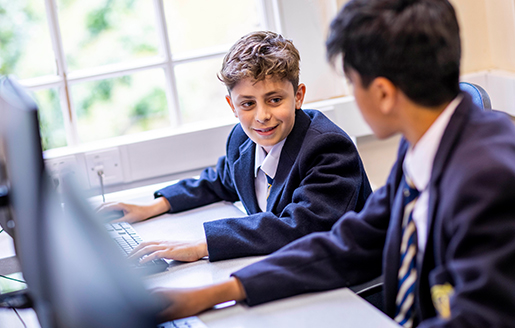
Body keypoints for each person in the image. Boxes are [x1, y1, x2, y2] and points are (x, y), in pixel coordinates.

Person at [152, 1, 515, 327]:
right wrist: (219, 292)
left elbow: (481, 319)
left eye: (352, 82)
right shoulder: (425, 146)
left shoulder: (487, 176)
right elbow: (352, 240)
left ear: (384, 93)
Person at [99, 31, 372, 263]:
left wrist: (203, 244)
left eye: (275, 99)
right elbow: (219, 180)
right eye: (248, 103)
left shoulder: (328, 147)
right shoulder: (242, 139)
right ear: (232, 106)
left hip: (344, 277)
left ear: (298, 96)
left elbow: (299, 226)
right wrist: (153, 206)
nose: (262, 115)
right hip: (284, 265)